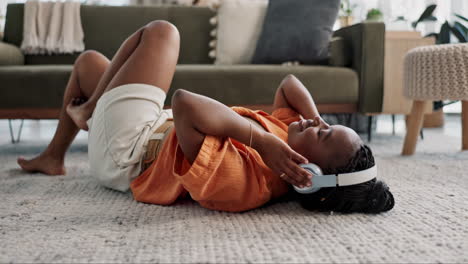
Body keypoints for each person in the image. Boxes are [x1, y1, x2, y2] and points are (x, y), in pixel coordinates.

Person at [18, 20, 394, 214]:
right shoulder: (286, 135)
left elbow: (185, 103)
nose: (317, 123)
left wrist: (261, 141)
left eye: (324, 134)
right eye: (326, 122)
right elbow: (290, 83)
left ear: (306, 175)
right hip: (148, 129)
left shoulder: (247, 180)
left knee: (162, 33)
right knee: (89, 64)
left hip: (128, 154)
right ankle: (54, 156)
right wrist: (313, 120)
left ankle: (88, 111)